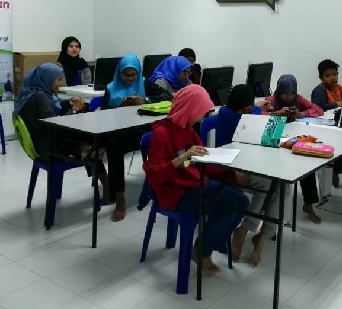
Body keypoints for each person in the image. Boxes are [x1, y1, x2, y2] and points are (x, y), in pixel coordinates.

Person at [143, 85, 249, 274]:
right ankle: (201, 250)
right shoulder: (162, 133)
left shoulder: (188, 130)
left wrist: (230, 174)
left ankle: (211, 241)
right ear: (189, 109)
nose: (202, 116)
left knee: (242, 201)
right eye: (200, 112)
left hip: (192, 181)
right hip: (173, 191)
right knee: (227, 207)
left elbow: (201, 162)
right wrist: (182, 158)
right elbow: (154, 175)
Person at [13, 63, 109, 198]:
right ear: (47, 79)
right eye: (58, 79)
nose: (61, 83)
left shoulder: (31, 94)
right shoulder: (40, 97)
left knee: (87, 142)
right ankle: (107, 185)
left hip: (41, 146)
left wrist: (69, 103)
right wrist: (74, 110)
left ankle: (100, 170)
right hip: (50, 150)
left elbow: (52, 110)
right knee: (91, 144)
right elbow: (55, 127)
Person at [214, 84, 278, 267]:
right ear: (234, 108)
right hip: (231, 171)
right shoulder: (226, 119)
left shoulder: (249, 114)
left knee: (283, 184)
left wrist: (261, 110)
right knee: (270, 184)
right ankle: (247, 231)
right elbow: (211, 158)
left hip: (251, 166)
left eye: (250, 110)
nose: (248, 114)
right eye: (245, 110)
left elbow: (256, 114)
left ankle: (260, 236)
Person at [264, 74, 325, 223]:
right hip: (274, 141)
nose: (288, 97)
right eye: (285, 94)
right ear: (279, 91)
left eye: (291, 93)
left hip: (293, 139)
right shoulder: (271, 100)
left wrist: (301, 113)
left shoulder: (298, 99)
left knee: (306, 165)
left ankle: (309, 204)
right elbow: (259, 115)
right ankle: (269, 205)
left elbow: (318, 109)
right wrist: (276, 114)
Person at [100, 53, 147, 222]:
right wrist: (119, 105)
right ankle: (110, 187)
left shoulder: (146, 83)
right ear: (119, 72)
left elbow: (165, 98)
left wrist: (144, 101)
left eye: (133, 75)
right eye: (125, 75)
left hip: (139, 130)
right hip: (115, 127)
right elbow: (102, 113)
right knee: (96, 143)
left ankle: (119, 197)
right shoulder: (111, 88)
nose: (129, 78)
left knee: (114, 146)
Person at [311, 59, 342, 187]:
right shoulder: (319, 91)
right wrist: (337, 104)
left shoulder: (339, 88)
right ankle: (334, 170)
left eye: (334, 74)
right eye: (327, 76)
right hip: (324, 128)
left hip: (336, 126)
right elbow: (319, 108)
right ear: (321, 78)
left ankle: (337, 170)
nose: (332, 78)